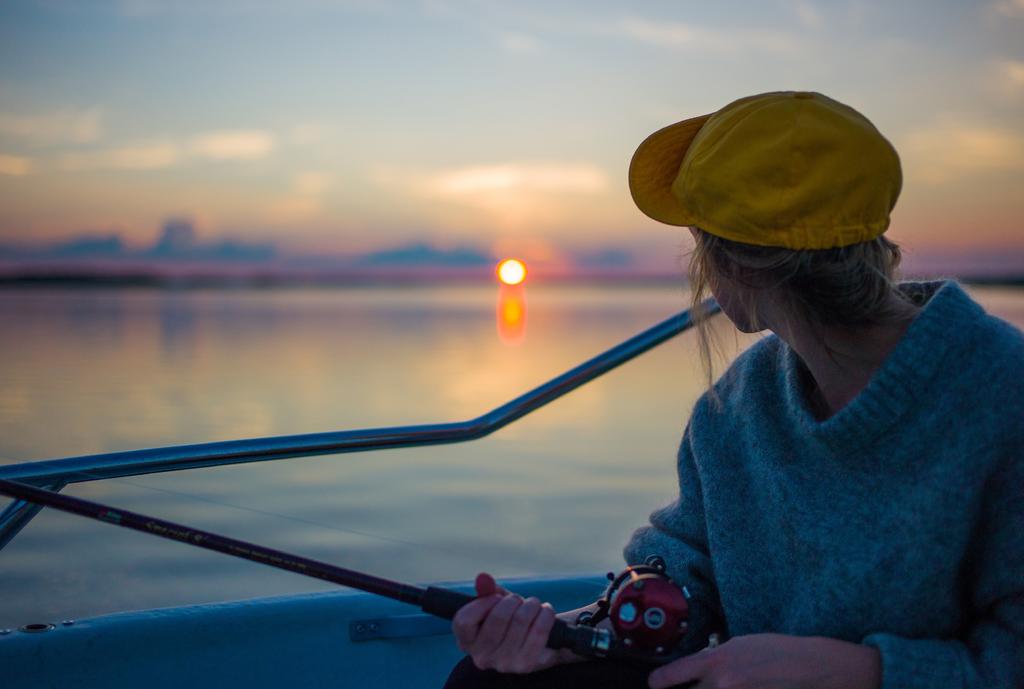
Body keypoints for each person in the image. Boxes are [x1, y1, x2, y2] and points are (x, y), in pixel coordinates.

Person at [443, 91, 1024, 689]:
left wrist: (859, 672)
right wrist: (577, 635)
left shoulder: (1003, 395)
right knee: (485, 681)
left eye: (697, 239)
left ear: (734, 265)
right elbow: (684, 573)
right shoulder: (738, 407)